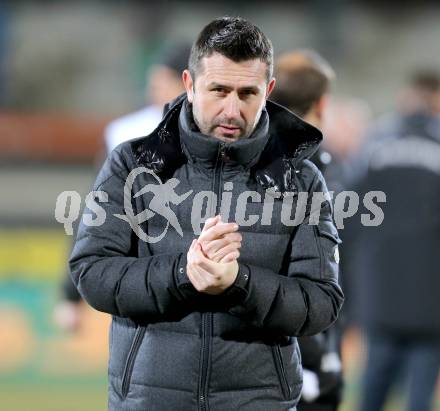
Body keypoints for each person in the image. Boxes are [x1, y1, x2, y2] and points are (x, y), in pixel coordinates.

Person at [69, 17, 344, 411]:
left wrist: (240, 283)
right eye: (219, 90)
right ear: (189, 84)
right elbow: (91, 271)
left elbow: (321, 303)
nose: (232, 110)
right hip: (151, 400)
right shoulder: (131, 164)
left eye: (247, 93)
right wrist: (183, 273)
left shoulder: (301, 179)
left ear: (268, 90)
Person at [54, 44, 191, 331]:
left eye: (162, 81)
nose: (154, 89)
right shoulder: (125, 133)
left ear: (186, 82)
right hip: (138, 275)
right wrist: (71, 293)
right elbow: (96, 210)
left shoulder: (212, 133)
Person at [348, 70, 440, 411]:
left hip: (381, 291)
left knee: (372, 387)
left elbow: (348, 216)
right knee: (420, 397)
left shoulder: (374, 145)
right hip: (432, 298)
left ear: (406, 98)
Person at [271, 50, 344, 411]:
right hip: (299, 345)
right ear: (321, 103)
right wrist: (318, 356)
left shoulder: (251, 156)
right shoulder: (310, 166)